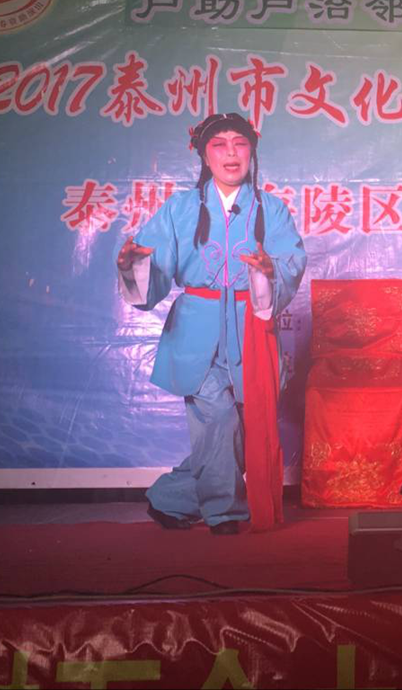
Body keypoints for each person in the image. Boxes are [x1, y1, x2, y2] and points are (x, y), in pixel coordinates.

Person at [117, 113, 306, 533]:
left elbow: (291, 260)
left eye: (239, 143)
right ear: (204, 155)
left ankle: (169, 498)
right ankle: (224, 512)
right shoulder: (180, 208)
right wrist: (133, 265)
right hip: (195, 329)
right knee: (217, 418)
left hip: (252, 327)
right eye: (219, 144)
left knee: (240, 430)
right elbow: (151, 263)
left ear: (252, 150)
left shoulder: (270, 209)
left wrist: (268, 270)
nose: (231, 153)